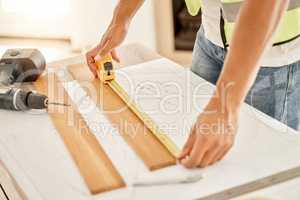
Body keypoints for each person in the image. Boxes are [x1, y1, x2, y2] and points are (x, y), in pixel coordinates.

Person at [86, 0, 299, 169]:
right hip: (211, 36)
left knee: (258, 167)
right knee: (200, 152)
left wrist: (225, 107)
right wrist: (120, 19)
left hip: (268, 55)